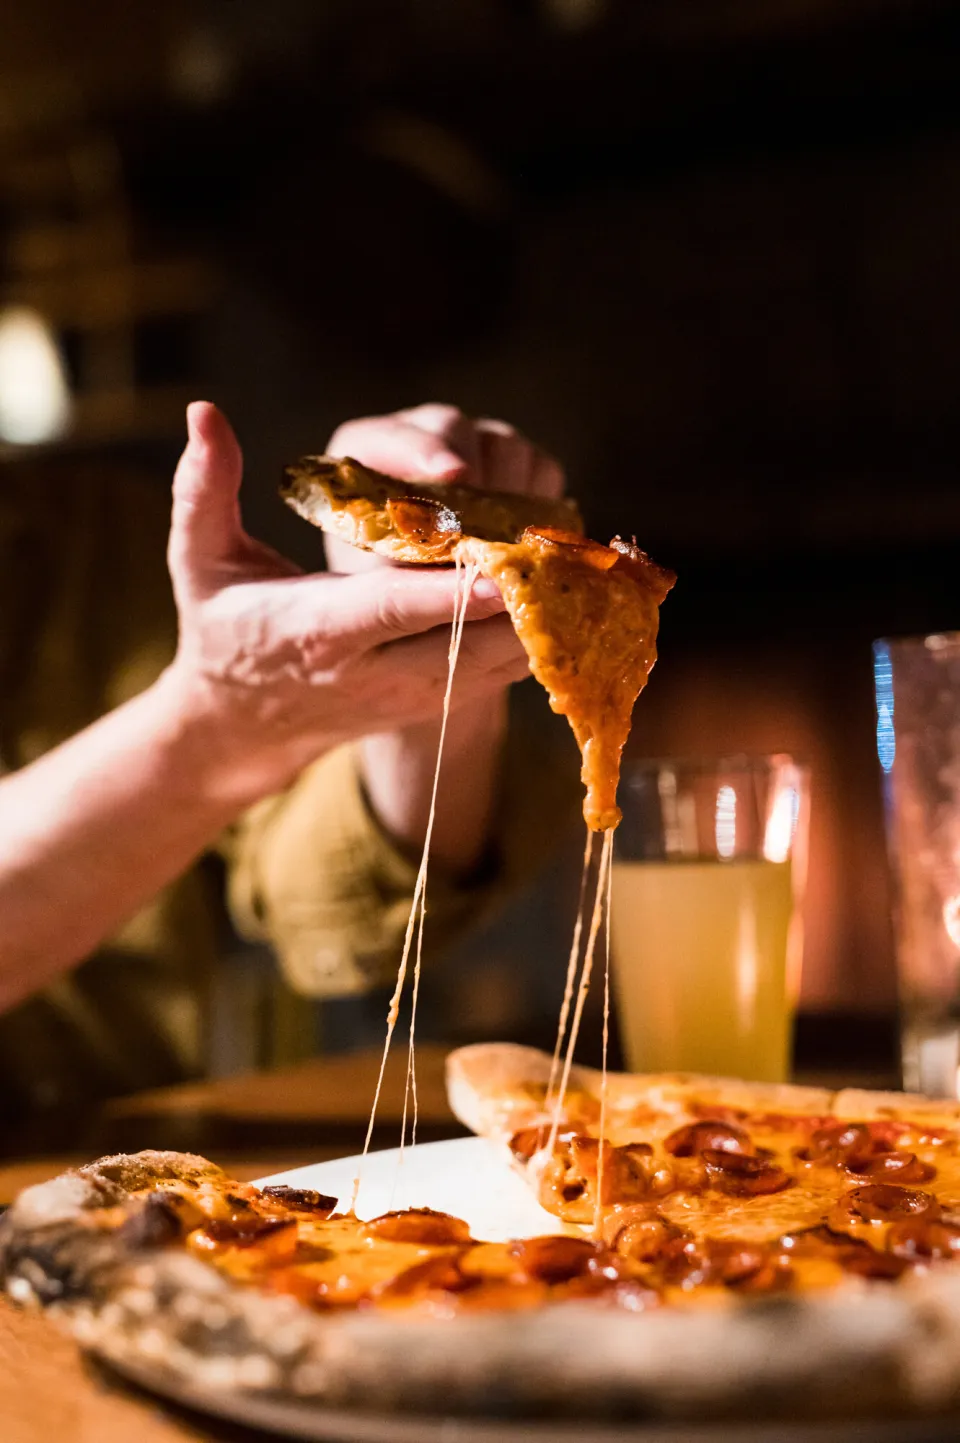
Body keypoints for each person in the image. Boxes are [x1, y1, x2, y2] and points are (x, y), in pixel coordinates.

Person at [0, 401, 576, 1123]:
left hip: (118, 1195)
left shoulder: (98, 538)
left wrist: (431, 678)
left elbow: (336, 918)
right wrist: (211, 733)